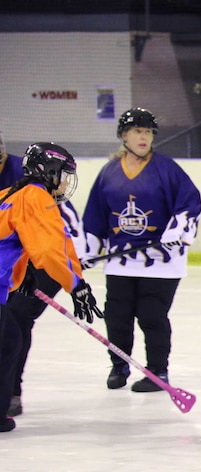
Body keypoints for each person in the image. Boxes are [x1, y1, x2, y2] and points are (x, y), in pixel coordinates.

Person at [81, 107, 201, 393]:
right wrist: (88, 250)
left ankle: (158, 372)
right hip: (120, 262)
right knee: (117, 315)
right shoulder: (110, 171)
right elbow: (96, 215)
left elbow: (190, 203)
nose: (143, 137)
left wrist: (176, 233)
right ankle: (119, 363)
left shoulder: (167, 168)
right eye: (137, 131)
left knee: (151, 315)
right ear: (124, 136)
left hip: (161, 261)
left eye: (147, 131)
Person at [1, 142, 102, 431]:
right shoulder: (37, 197)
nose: (67, 182)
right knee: (8, 343)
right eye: (65, 174)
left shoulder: (13, 192)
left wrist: (24, 269)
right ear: (49, 171)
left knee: (9, 340)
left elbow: (37, 242)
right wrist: (75, 285)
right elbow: (49, 252)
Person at [5, 197, 86, 418]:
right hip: (16, 264)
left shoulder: (49, 199)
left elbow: (71, 244)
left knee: (16, 318)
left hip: (47, 267)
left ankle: (11, 392)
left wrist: (73, 268)